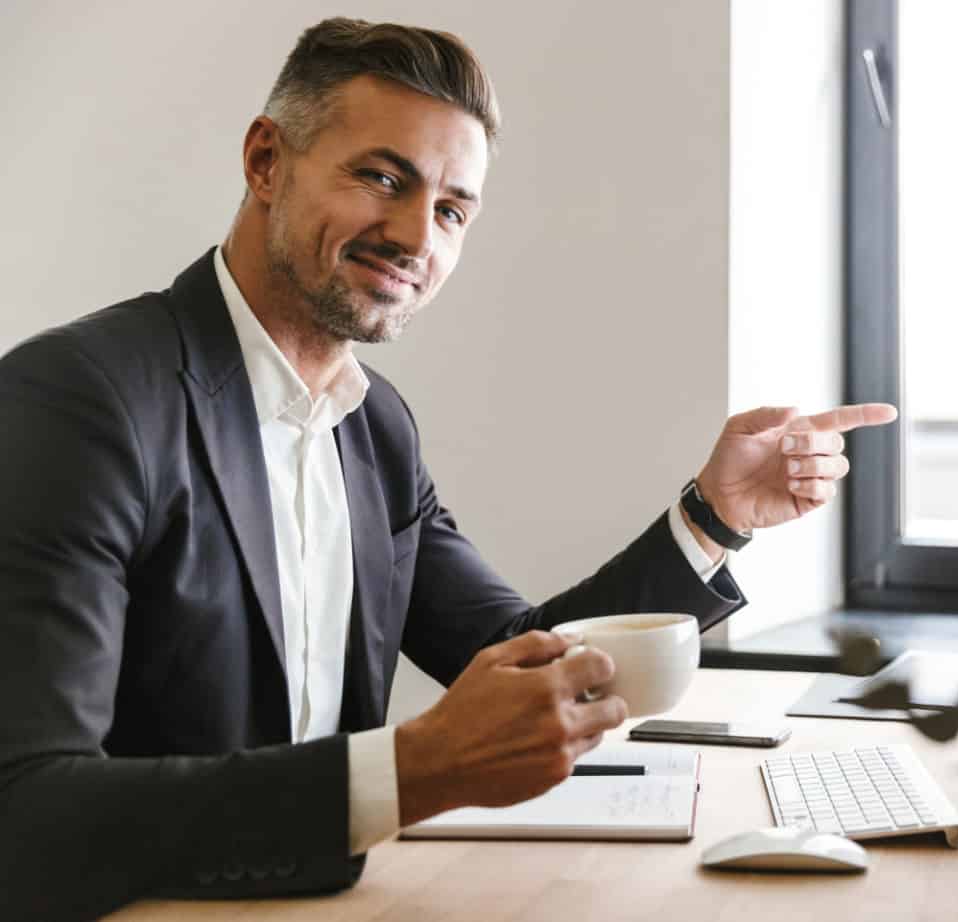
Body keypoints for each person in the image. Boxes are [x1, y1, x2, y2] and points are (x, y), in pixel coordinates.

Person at [0, 17, 896, 920]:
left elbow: (523, 658)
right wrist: (409, 769)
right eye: (381, 177)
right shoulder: (80, 401)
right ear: (266, 161)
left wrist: (715, 516)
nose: (414, 234)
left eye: (452, 209)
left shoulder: (375, 426)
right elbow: (29, 812)